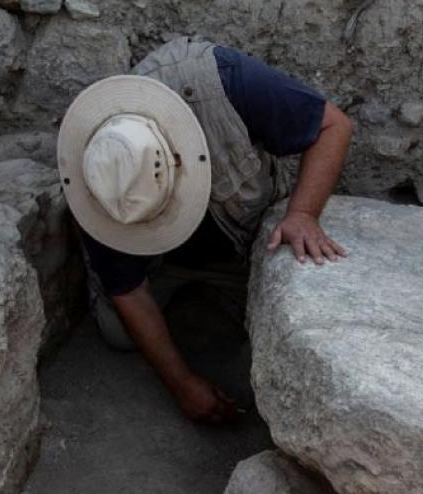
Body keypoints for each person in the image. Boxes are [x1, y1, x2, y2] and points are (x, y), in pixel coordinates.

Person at [56, 37, 353, 424]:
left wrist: (302, 214)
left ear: (179, 158)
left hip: (240, 234)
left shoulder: (223, 83)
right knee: (118, 332)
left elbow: (335, 126)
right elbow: (127, 291)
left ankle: (223, 287)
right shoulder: (99, 176)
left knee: (286, 304)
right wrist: (181, 384)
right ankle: (185, 284)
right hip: (161, 262)